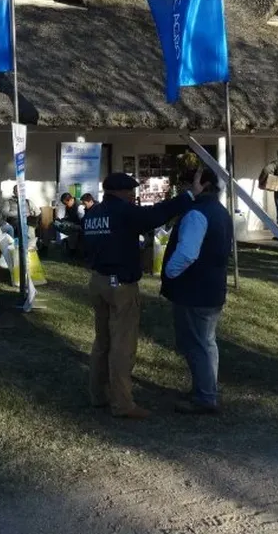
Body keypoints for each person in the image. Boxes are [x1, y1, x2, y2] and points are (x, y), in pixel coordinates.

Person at [83, 171, 202, 420]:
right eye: (130, 191)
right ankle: (123, 403)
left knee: (101, 341)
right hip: (120, 285)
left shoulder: (93, 213)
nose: (133, 195)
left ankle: (98, 395)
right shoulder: (123, 212)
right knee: (122, 345)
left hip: (97, 281)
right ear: (119, 192)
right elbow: (155, 216)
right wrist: (189, 195)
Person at [161, 167, 233, 415]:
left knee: (195, 344)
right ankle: (206, 389)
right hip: (213, 287)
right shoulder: (221, 212)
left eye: (192, 182)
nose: (188, 187)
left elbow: (188, 253)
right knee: (207, 343)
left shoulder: (197, 213)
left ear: (203, 184)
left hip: (193, 289)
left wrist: (169, 272)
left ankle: (204, 396)